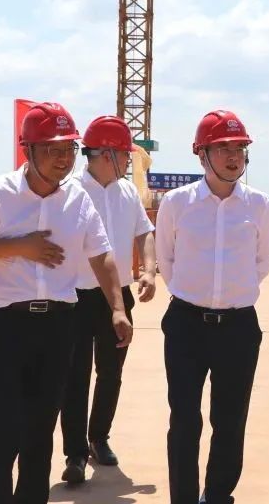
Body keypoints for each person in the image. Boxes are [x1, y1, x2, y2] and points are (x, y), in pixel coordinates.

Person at [0, 102, 133, 504]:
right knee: (1, 429)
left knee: (40, 430)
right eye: (52, 149)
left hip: (57, 326)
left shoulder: (77, 199)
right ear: (28, 150)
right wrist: (22, 246)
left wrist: (118, 308)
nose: (63, 158)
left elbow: (102, 254)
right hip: (2, 325)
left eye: (69, 149)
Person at [154, 109, 269, 504]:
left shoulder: (260, 205)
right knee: (184, 419)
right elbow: (166, 259)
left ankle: (218, 494)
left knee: (230, 419)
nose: (233, 156)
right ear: (202, 154)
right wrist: (195, 294)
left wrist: (231, 296)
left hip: (239, 327)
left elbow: (263, 261)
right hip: (186, 324)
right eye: (223, 148)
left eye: (239, 148)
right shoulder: (177, 203)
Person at [60, 115, 157, 484]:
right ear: (105, 154)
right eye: (124, 154)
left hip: (117, 297)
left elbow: (144, 232)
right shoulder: (69, 190)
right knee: (75, 376)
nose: (129, 160)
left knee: (111, 372)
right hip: (75, 297)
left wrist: (149, 269)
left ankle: (99, 437)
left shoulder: (127, 192)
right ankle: (74, 453)